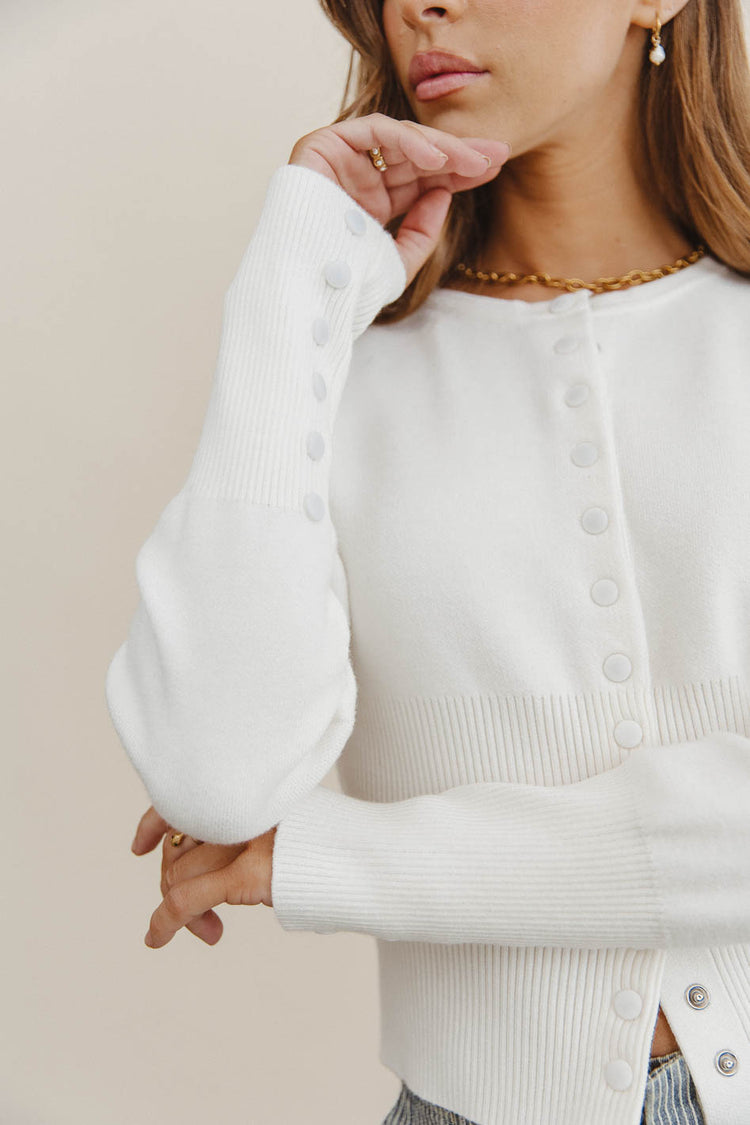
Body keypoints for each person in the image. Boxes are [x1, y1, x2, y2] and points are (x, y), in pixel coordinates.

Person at [107, 1, 750, 1123]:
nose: (420, 7)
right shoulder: (334, 371)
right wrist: (291, 279)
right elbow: (215, 775)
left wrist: (329, 860)